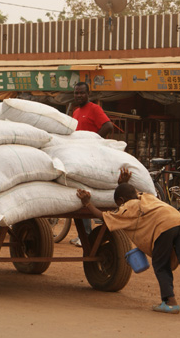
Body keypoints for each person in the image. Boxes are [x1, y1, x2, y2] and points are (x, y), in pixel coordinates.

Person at [76, 168, 180, 318]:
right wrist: (123, 184)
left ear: (121, 201)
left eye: (118, 203)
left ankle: (170, 302)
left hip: (163, 228)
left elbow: (103, 216)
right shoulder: (146, 197)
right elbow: (127, 192)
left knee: (161, 265)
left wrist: (87, 203)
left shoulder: (127, 207)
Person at [70, 81, 114, 247]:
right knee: (81, 193)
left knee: (89, 192)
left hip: (93, 158)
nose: (79, 95)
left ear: (88, 94)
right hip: (79, 158)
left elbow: (108, 126)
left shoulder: (94, 109)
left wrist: (94, 142)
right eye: (76, 93)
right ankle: (84, 234)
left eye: (82, 93)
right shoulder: (75, 112)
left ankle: (90, 233)